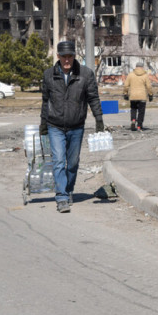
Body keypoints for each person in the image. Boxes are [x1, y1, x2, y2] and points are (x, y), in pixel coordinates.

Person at [40, 41, 104, 213]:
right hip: (55, 125)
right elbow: (45, 101)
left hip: (76, 126)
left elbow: (93, 98)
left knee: (73, 163)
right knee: (59, 161)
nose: (67, 60)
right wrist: (43, 123)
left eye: (70, 56)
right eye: (63, 56)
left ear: (74, 56)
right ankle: (61, 196)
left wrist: (99, 119)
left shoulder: (86, 74)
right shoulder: (49, 75)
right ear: (58, 57)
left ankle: (68, 190)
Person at [123, 61, 153, 131]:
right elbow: (149, 86)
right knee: (141, 111)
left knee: (133, 109)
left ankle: (133, 120)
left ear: (136, 67)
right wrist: (150, 94)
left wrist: (125, 93)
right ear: (142, 67)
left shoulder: (130, 75)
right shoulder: (145, 75)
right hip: (142, 96)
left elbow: (126, 85)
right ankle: (139, 125)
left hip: (133, 96)